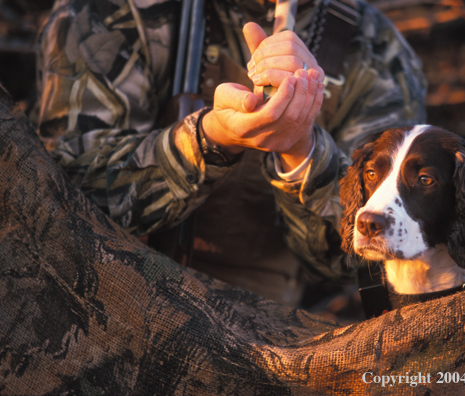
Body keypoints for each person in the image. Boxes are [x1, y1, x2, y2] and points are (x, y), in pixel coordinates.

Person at [36, 0, 426, 305]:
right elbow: (61, 195)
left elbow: (366, 256)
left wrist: (300, 151)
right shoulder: (109, 11)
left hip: (260, 327)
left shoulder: (377, 49)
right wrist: (210, 138)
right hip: (99, 292)